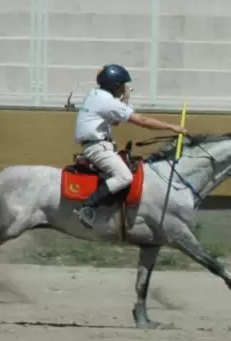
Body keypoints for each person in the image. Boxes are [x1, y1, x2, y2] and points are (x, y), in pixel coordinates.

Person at [72, 64, 187, 229]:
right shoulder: (107, 102)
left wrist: (125, 98)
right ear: (116, 85)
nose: (126, 87)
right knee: (124, 177)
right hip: (97, 148)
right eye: (124, 84)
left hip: (99, 145)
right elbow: (142, 121)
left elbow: (116, 122)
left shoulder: (95, 94)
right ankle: (88, 207)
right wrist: (172, 127)